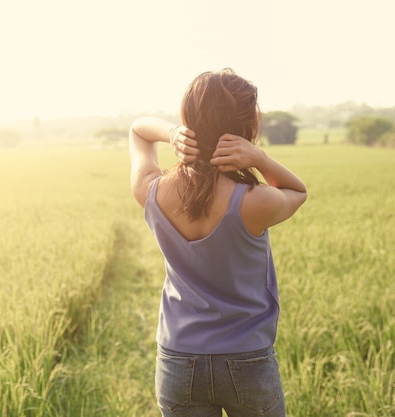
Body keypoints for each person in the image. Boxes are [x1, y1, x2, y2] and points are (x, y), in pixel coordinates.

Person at [128, 68, 307, 417]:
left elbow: (138, 130)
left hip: (178, 361)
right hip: (247, 360)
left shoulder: (150, 191)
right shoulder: (256, 201)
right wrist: (259, 158)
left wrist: (172, 133)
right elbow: (298, 192)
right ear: (246, 130)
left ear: (188, 121)